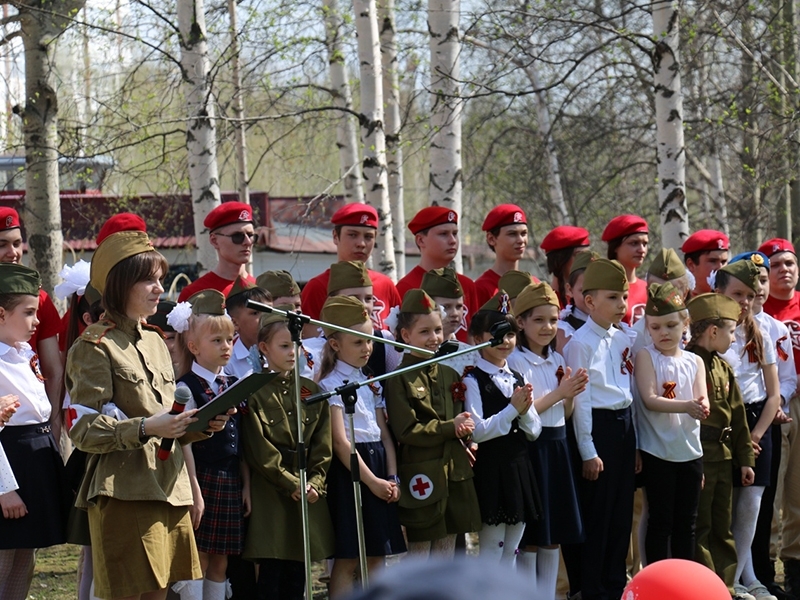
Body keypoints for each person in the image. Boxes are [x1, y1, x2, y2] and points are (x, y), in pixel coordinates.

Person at [67, 226, 231, 600]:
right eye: (148, 280)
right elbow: (85, 430)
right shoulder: (93, 346)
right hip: (126, 490)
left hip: (170, 487)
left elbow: (168, 415)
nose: (160, 287)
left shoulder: (157, 341)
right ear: (120, 285)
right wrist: (143, 427)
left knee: (160, 595)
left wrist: (203, 425)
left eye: (160, 278)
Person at [241, 307, 335, 600]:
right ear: (264, 348)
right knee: (271, 573)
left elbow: (323, 442)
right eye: (284, 346)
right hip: (273, 492)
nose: (292, 352)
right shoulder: (254, 391)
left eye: (296, 345)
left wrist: (315, 482)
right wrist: (290, 482)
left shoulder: (309, 390)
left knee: (298, 572)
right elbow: (258, 448)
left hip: (307, 491)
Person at [316, 295, 406, 598]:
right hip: (351, 471)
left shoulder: (371, 380)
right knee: (349, 556)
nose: (367, 348)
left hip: (379, 464)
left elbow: (383, 433)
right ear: (335, 344)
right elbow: (341, 442)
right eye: (358, 342)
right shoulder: (330, 385)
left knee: (378, 553)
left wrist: (392, 477)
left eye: (369, 340)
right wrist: (372, 481)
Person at [384, 289, 482, 557]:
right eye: (425, 332)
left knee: (448, 549)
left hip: (453, 471)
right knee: (420, 552)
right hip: (422, 473)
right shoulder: (400, 378)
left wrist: (467, 439)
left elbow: (462, 418)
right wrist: (451, 427)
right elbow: (406, 430)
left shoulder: (449, 373)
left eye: (438, 330)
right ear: (406, 336)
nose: (434, 338)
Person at [562, 258, 638, 600]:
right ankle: (591, 589)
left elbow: (630, 393)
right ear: (589, 302)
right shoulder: (581, 343)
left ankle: (614, 585)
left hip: (623, 427)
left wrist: (634, 444)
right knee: (599, 516)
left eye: (624, 297)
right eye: (612, 297)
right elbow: (583, 401)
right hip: (599, 429)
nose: (621, 304)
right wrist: (588, 449)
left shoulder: (621, 338)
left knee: (621, 515)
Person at [168, 290, 249, 600]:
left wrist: (246, 484)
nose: (226, 347)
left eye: (229, 340)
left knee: (221, 559)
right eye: (216, 341)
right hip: (201, 477)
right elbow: (184, 441)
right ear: (193, 346)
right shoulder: (185, 386)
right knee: (198, 557)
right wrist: (194, 491)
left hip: (229, 479)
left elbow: (239, 440)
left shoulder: (232, 384)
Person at [508, 282, 587, 597]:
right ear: (521, 323)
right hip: (531, 448)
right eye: (538, 320)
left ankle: (551, 593)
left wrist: (570, 394)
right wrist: (560, 393)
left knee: (554, 531)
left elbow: (563, 415)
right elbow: (522, 412)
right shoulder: (515, 361)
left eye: (553, 320)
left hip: (557, 447)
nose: (547, 327)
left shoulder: (556, 360)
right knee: (532, 533)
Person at [715, 259, 782, 600]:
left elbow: (774, 396)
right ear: (719, 293)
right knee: (724, 504)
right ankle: (728, 579)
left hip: (757, 423)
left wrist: (754, 436)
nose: (744, 301)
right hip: (724, 421)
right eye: (737, 294)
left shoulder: (762, 334)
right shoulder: (709, 332)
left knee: (751, 506)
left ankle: (743, 576)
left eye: (750, 295)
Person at [0, 264, 67, 600]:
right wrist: (3, 489)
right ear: (0, 314)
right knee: (3, 558)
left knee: (24, 561)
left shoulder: (22, 353)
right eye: (28, 313)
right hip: (9, 463)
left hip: (34, 459)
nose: (37, 322)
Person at [732, 251, 795, 599]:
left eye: (760, 285)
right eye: (746, 288)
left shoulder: (774, 329)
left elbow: (784, 380)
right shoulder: (718, 326)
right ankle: (737, 576)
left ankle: (753, 573)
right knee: (729, 501)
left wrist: (779, 405)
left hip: (764, 419)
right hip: (729, 420)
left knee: (760, 501)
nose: (753, 295)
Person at [685, 293, 756, 600]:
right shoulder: (687, 363)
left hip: (723, 457)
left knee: (721, 527)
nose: (733, 337)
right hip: (699, 454)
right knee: (699, 527)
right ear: (713, 331)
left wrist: (746, 460)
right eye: (731, 331)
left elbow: (738, 417)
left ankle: (724, 588)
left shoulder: (723, 368)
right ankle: (704, 590)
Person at [463, 292, 541, 564]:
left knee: (512, 551)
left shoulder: (517, 377)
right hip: (491, 470)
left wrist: (524, 412)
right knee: (491, 550)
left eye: (509, 335)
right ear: (476, 339)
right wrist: (512, 410)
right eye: (496, 335)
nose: (504, 342)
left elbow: (534, 430)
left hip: (518, 468)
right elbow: (477, 431)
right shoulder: (473, 379)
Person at [634, 283, 707, 563]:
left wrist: (702, 406)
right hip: (658, 451)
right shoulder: (646, 356)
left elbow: (702, 396)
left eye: (671, 325)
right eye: (655, 327)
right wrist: (687, 406)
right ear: (647, 328)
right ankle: (656, 579)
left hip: (689, 450)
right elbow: (650, 399)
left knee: (686, 524)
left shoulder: (694, 361)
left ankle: (683, 581)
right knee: (660, 520)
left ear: (684, 324)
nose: (663, 333)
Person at [758, 237, 800, 598]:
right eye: (775, 265)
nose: (784, 270)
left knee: (798, 491)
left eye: (789, 263)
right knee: (771, 490)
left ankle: (795, 565)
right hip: (775, 407)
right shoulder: (760, 311)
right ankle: (766, 566)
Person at [0, 207, 64, 440]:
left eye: (17, 243)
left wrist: (53, 429)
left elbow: (53, 371)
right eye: (2, 245)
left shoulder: (40, 299)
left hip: (33, 430)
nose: (13, 253)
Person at [300, 203, 401, 337]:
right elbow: (310, 347)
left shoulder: (385, 284)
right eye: (353, 235)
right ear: (336, 236)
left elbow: (401, 337)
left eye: (368, 237)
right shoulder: (317, 287)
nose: (361, 243)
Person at [396, 206, 478, 342]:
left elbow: (473, 334)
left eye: (455, 233)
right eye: (443, 234)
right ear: (421, 240)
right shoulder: (407, 287)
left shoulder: (467, 285)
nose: (452, 240)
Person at [178, 202, 257, 301]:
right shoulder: (195, 294)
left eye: (251, 235)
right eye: (237, 236)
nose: (248, 242)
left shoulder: (263, 290)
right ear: (214, 241)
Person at [420, 267, 477, 377]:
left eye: (459, 306)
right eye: (446, 306)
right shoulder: (412, 353)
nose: (455, 313)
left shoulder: (470, 354)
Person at [474, 204, 532, 306]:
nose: (521, 240)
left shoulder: (533, 284)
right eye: (512, 234)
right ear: (491, 239)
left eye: (523, 233)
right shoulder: (481, 289)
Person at [601, 214, 649, 324]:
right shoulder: (602, 289)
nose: (642, 250)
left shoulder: (649, 288)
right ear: (616, 247)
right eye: (634, 243)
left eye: (645, 244)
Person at [224, 278, 271, 381]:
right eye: (255, 313)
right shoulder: (228, 362)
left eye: (269, 311)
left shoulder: (281, 352)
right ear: (235, 323)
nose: (265, 318)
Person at [556, 250, 600, 353]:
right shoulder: (564, 332)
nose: (591, 298)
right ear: (570, 290)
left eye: (598, 290)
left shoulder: (616, 326)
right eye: (584, 291)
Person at [540, 225, 591, 308]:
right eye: (579, 256)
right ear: (560, 261)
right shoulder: (545, 303)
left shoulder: (593, 298)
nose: (587, 261)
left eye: (588, 256)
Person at [682, 229, 730, 296]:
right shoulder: (679, 301)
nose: (720, 267)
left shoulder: (732, 298)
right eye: (713, 261)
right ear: (691, 265)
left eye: (723, 262)